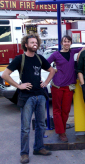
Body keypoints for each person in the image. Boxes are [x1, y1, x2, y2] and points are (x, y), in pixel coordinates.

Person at [2, 33, 55, 164]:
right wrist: (19, 86)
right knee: (25, 128)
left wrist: (46, 82)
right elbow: (5, 74)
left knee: (41, 124)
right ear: (26, 45)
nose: (35, 44)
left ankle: (39, 148)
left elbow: (52, 70)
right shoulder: (20, 59)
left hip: (41, 96)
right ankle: (24, 153)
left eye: (36, 42)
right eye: (32, 42)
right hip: (27, 98)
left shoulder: (39, 58)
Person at [47, 35, 84, 142]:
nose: (66, 43)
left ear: (70, 43)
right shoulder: (56, 54)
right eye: (64, 41)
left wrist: (80, 52)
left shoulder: (72, 52)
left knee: (66, 110)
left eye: (68, 41)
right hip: (57, 86)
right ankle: (61, 132)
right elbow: (45, 63)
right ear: (61, 43)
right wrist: (54, 70)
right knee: (57, 110)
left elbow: (84, 48)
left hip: (69, 86)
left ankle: (61, 129)